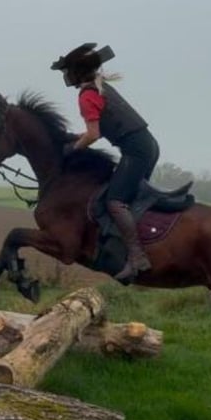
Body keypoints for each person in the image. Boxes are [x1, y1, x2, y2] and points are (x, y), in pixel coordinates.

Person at [50, 43, 160, 283]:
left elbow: (93, 134)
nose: (66, 76)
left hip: (136, 152)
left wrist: (71, 148)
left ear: (77, 72)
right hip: (146, 147)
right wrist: (75, 138)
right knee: (128, 197)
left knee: (115, 201)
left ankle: (137, 258)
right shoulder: (99, 88)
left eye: (67, 71)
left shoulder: (88, 95)